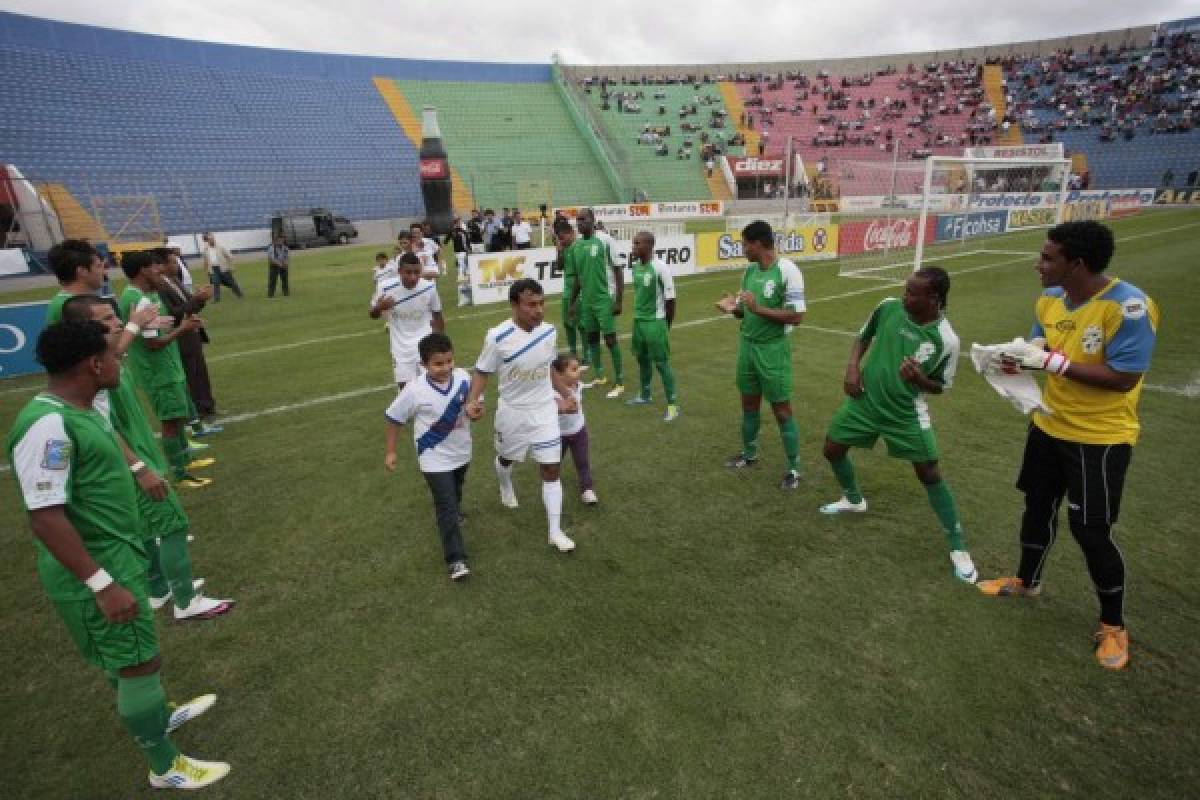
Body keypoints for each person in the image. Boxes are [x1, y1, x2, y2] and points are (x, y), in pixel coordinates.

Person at [5, 320, 231, 790]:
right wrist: (101, 584)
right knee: (137, 662)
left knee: (132, 657)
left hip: (117, 555)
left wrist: (138, 469)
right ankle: (164, 765)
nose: (118, 361)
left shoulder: (82, 408)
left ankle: (157, 716)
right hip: (95, 568)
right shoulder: (48, 424)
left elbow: (107, 440)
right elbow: (44, 517)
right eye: (113, 354)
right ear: (94, 363)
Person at [978, 221, 1159, 671]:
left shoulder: (1129, 307)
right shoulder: (1051, 298)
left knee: (1090, 529)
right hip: (1048, 425)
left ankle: (1113, 626)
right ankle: (1027, 581)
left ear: (1076, 263)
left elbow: (1123, 378)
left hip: (1099, 438)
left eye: (1047, 257)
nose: (1038, 264)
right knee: (1037, 506)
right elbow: (1042, 341)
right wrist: (1018, 355)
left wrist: (1052, 362)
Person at [61, 295, 236, 619]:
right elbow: (102, 427)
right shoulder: (95, 372)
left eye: (116, 318)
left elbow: (119, 350)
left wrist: (135, 325)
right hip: (131, 464)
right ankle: (187, 602)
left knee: (146, 528)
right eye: (108, 320)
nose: (117, 326)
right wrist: (140, 468)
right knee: (172, 524)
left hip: (130, 462)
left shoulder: (98, 362)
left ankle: (159, 589)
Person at [817, 268, 977, 584]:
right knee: (832, 448)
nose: (905, 296)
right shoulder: (888, 307)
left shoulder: (947, 339)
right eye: (906, 290)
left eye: (913, 293)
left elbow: (940, 386)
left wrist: (919, 379)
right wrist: (852, 369)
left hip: (904, 413)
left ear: (933, 298)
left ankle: (958, 547)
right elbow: (863, 338)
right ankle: (853, 499)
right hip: (865, 401)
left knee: (929, 472)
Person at [465, 279, 577, 553]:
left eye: (541, 303)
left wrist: (564, 394)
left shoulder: (549, 332)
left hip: (544, 410)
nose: (538, 310)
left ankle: (555, 531)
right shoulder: (497, 337)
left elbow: (548, 368)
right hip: (512, 412)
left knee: (551, 469)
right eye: (531, 305)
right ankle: (505, 485)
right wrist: (473, 400)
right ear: (514, 305)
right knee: (506, 458)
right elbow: (482, 371)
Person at [715, 220, 805, 489]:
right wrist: (733, 308)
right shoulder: (749, 272)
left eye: (745, 244)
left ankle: (793, 469)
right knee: (749, 405)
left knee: (781, 411)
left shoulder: (787, 270)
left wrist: (757, 309)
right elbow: (746, 311)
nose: (742, 249)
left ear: (758, 244)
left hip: (773, 350)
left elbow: (797, 316)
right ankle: (749, 455)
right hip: (748, 347)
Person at [117, 251, 211, 488]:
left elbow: (152, 334)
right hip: (158, 371)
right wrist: (184, 327)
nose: (160, 270)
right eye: (154, 267)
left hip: (165, 368)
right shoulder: (139, 300)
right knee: (170, 421)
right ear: (143, 271)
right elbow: (152, 343)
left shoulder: (139, 296)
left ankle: (186, 461)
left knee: (178, 417)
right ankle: (180, 474)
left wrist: (170, 324)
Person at [384, 332, 474, 581]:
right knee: (445, 504)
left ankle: (455, 511)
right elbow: (393, 418)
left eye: (449, 361)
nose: (445, 368)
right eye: (438, 364)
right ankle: (456, 559)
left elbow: (475, 407)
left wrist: (476, 411)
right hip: (432, 456)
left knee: (455, 492)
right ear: (424, 365)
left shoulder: (464, 378)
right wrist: (391, 451)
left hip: (461, 451)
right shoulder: (414, 390)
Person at [155, 248, 222, 437]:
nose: (176, 266)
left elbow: (188, 305)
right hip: (182, 336)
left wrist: (200, 300)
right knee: (190, 376)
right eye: (172, 262)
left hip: (192, 333)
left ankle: (207, 407)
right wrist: (195, 299)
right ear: (161, 265)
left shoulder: (175, 281)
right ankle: (197, 413)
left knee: (200, 373)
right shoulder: (160, 287)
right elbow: (174, 313)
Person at [566, 209, 625, 398]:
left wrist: (618, 300)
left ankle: (620, 382)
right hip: (587, 301)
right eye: (578, 220)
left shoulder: (605, 241)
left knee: (610, 340)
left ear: (593, 220)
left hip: (604, 299)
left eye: (584, 219)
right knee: (592, 338)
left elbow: (618, 271)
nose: (580, 223)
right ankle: (600, 376)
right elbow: (578, 278)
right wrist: (573, 302)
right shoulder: (576, 247)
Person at [369, 252, 444, 391]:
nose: (413, 277)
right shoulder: (385, 287)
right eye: (408, 272)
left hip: (426, 344)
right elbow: (372, 313)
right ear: (399, 271)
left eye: (417, 272)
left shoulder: (429, 287)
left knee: (433, 388)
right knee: (405, 392)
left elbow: (438, 315)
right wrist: (379, 307)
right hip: (401, 349)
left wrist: (439, 343)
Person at [625, 231, 679, 421]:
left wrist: (665, 325)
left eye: (637, 244)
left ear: (649, 246)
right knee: (642, 360)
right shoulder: (635, 267)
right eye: (633, 244)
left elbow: (671, 300)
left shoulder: (660, 268)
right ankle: (645, 395)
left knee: (662, 364)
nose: (633, 247)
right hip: (638, 322)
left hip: (655, 323)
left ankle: (672, 405)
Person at [553, 354, 598, 505]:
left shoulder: (578, 384)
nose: (578, 372)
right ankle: (552, 485)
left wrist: (591, 382)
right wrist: (562, 409)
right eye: (573, 369)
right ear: (558, 374)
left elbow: (581, 380)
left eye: (578, 369)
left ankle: (587, 490)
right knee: (553, 463)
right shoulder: (553, 392)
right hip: (558, 435)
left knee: (582, 462)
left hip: (579, 431)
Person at [199, 233, 242, 302]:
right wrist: (206, 270)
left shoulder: (220, 247)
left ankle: (239, 294)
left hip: (223, 268)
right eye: (210, 239)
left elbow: (230, 257)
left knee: (231, 282)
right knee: (215, 283)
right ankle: (216, 299)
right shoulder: (205, 250)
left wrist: (232, 266)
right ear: (206, 241)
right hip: (213, 269)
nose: (212, 240)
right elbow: (205, 261)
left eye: (212, 238)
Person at [450, 216, 472, 306]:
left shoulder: (463, 232)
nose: (458, 224)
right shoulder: (453, 232)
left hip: (463, 253)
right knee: (463, 274)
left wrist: (469, 251)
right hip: (458, 254)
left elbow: (467, 243)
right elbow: (447, 241)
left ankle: (467, 297)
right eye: (456, 222)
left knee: (464, 273)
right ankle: (465, 297)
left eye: (458, 222)